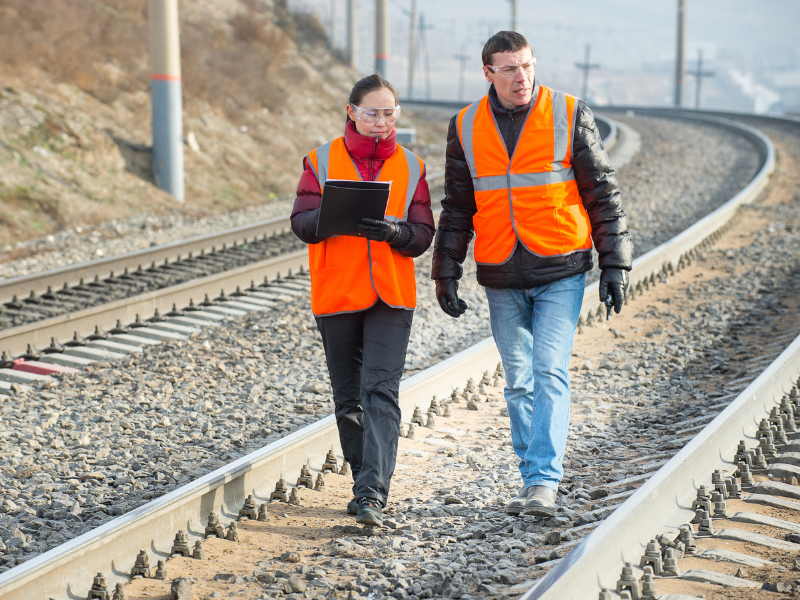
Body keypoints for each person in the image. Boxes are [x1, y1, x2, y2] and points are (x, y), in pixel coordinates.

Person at [431, 32, 633, 517]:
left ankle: (543, 480)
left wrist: (614, 263)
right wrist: (446, 270)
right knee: (518, 381)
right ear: (488, 74)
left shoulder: (568, 112)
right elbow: (458, 207)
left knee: (548, 371)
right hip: (501, 270)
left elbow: (602, 192)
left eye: (526, 66)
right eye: (509, 69)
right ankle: (531, 479)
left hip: (561, 266)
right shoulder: (464, 126)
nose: (521, 77)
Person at [291, 74, 434, 527]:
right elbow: (301, 222)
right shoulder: (321, 160)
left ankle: (373, 492)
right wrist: (334, 217)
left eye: (389, 113)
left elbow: (423, 233)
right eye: (372, 112)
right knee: (348, 397)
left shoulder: (412, 165)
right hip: (338, 291)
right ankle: (363, 482)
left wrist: (397, 232)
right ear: (351, 111)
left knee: (381, 391)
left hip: (391, 295)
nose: (380, 121)